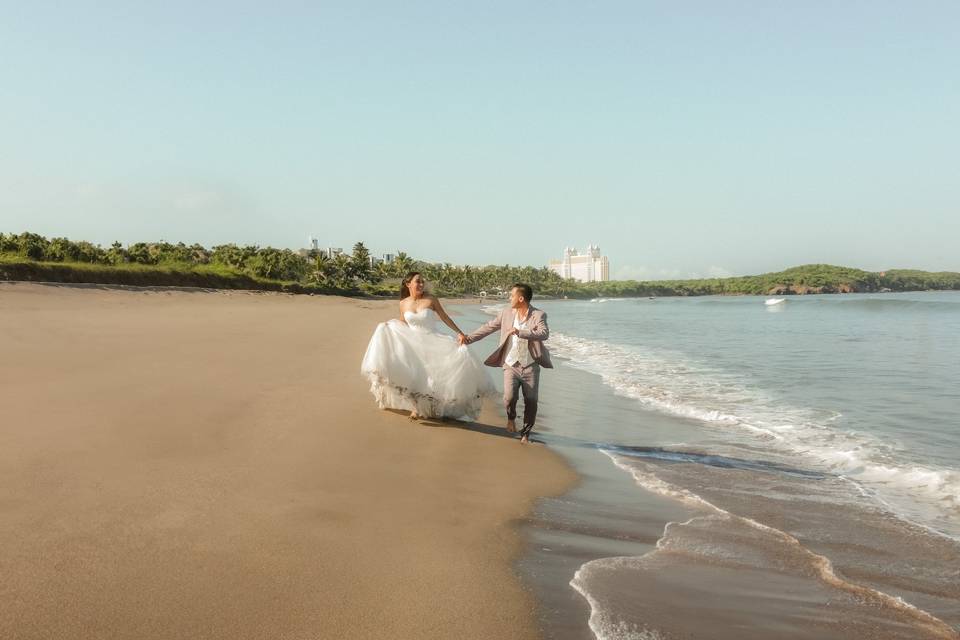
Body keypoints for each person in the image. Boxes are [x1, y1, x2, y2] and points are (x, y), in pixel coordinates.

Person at [361, 272, 494, 421]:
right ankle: (415, 408)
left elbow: (444, 317)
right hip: (412, 343)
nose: (421, 284)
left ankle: (433, 407)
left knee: (431, 378)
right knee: (413, 376)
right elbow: (403, 321)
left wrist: (460, 332)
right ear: (408, 284)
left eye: (422, 282)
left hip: (432, 341)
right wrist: (389, 327)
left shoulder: (431, 300)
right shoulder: (403, 303)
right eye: (418, 281)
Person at [462, 283, 552, 443]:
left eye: (511, 295)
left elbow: (544, 333)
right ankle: (511, 418)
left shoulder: (538, 315)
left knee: (531, 401)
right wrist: (468, 338)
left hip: (530, 366)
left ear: (521, 298)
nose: (509, 298)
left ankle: (526, 432)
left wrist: (520, 332)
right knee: (509, 398)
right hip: (510, 363)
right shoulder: (506, 313)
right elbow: (489, 327)